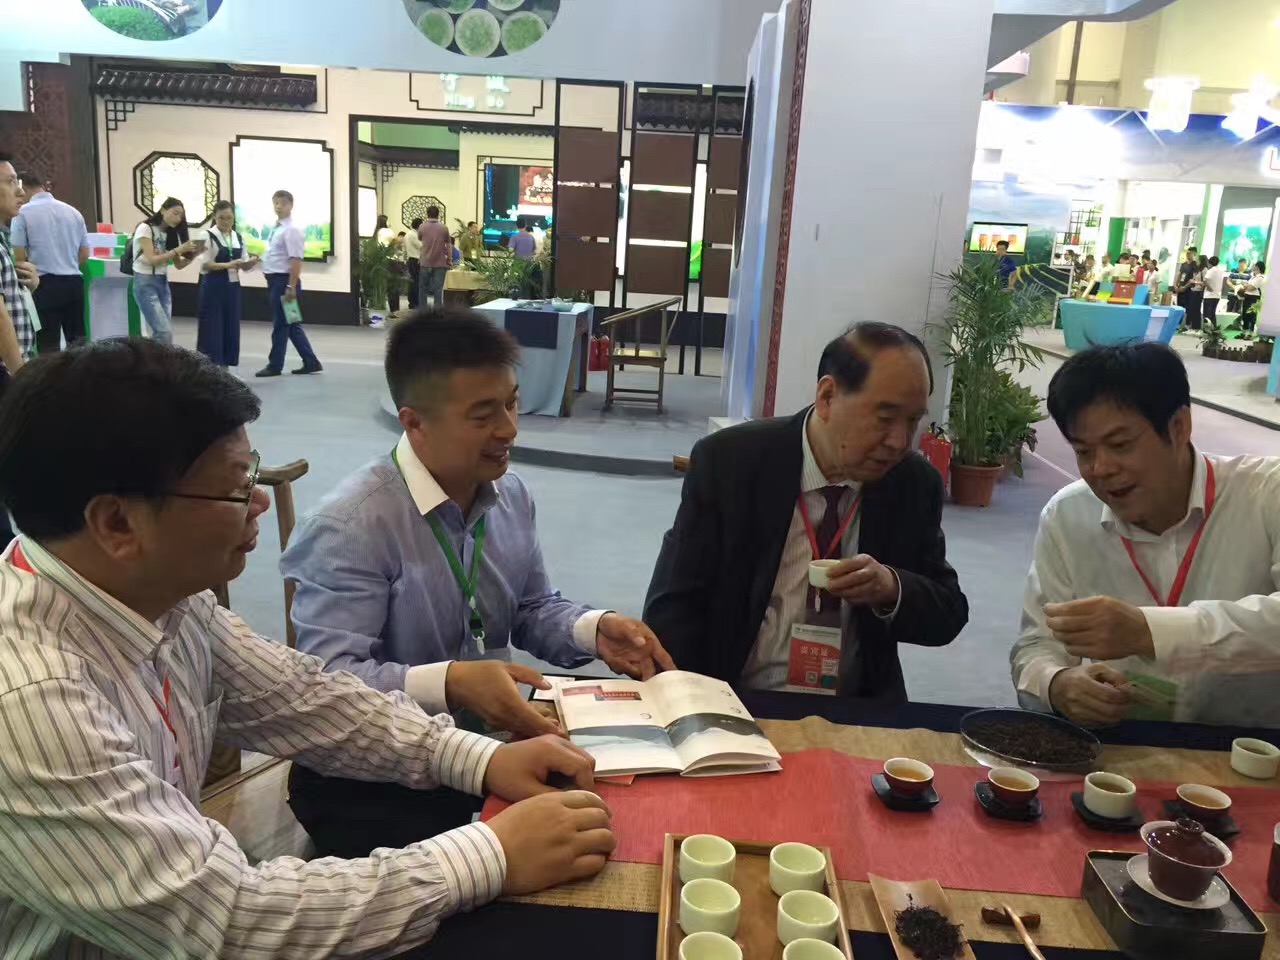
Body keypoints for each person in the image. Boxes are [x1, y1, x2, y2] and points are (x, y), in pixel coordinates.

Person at [0, 338, 617, 958]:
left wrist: (480, 759)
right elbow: (227, 919)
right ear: (116, 524)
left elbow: (306, 699)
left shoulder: (168, 602)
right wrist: (490, 854)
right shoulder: (33, 701)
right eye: (235, 487)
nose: (260, 501)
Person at [281, 308, 672, 856]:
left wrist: (593, 629)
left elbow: (530, 606)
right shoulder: (351, 525)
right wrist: (454, 683)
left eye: (512, 403)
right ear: (414, 422)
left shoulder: (510, 495)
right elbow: (329, 688)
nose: (509, 429)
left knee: (624, 827)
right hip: (372, 779)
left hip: (488, 751)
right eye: (484, 415)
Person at [644, 322, 968, 701]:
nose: (899, 441)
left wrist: (891, 588)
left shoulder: (912, 484)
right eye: (884, 419)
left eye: (913, 421)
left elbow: (948, 613)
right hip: (738, 699)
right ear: (827, 397)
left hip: (855, 708)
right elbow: (671, 609)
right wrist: (695, 707)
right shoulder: (730, 463)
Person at [1010, 343, 1280, 727]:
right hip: (1121, 748)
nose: (1101, 468)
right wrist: (1057, 684)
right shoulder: (1067, 515)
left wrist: (1149, 631)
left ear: (1179, 427)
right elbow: (1036, 646)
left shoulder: (1265, 493)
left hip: (1251, 749)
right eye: (1083, 452)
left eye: (1120, 445)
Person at [10, 168, 88, 354]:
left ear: (23, 187)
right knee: (78, 342)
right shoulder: (74, 212)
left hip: (43, 284)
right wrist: (65, 266)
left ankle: (52, 374)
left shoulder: (22, 213)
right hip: (74, 282)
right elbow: (85, 253)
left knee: (48, 344)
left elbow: (19, 257)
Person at [254, 189, 322, 377]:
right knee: (292, 324)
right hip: (276, 281)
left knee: (280, 325)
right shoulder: (277, 228)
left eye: (283, 203)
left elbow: (296, 260)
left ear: (291, 205)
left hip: (283, 283)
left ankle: (275, 365)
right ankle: (311, 361)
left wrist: (291, 287)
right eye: (276, 203)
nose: (278, 206)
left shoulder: (292, 229)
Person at [197, 200, 257, 368]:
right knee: (212, 325)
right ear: (214, 217)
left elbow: (243, 264)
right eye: (221, 218)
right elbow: (204, 265)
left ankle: (225, 367)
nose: (226, 222)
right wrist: (228, 265)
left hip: (233, 287)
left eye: (229, 218)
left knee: (231, 325)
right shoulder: (206, 235)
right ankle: (208, 367)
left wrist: (251, 262)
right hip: (213, 285)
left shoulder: (238, 237)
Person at [131, 197, 199, 346]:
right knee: (163, 331)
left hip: (162, 282)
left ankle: (159, 359)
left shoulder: (171, 233)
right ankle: (158, 359)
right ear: (162, 210)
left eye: (181, 216)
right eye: (175, 213)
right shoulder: (145, 228)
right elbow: (152, 259)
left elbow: (179, 265)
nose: (178, 219)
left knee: (163, 331)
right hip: (145, 282)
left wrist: (193, 255)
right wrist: (178, 250)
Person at [417, 205, 452, 310]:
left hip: (425, 262)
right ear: (438, 214)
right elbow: (448, 244)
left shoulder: (422, 227)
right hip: (440, 263)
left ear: (427, 214)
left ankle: (423, 311)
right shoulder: (444, 228)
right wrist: (449, 259)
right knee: (438, 289)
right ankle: (437, 311)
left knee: (423, 288)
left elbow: (420, 238)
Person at [1174, 247, 1201, 330]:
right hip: (1181, 287)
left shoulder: (1195, 265)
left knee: (1188, 307)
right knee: (1179, 306)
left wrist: (1185, 287)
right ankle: (1177, 324)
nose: (1188, 255)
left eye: (1190, 253)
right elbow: (1180, 274)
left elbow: (1194, 278)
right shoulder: (1183, 264)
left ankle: (1187, 324)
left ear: (1194, 254)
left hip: (1189, 289)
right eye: (1187, 253)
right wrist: (1176, 285)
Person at [1237, 260, 1267, 338]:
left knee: (1252, 316)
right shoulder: (1253, 277)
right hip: (1248, 297)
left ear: (1258, 267)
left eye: (1255, 265)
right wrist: (1246, 286)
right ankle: (1243, 333)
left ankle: (1250, 334)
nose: (1253, 267)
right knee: (1245, 315)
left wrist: (1245, 286)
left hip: (1254, 299)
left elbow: (1250, 288)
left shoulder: (1260, 277)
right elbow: (1247, 286)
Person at [404, 216, 424, 310]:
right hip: (415, 260)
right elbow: (421, 246)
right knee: (416, 283)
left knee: (413, 282)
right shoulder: (414, 235)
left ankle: (412, 302)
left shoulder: (408, 234)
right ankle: (415, 303)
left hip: (411, 259)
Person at [1201, 255, 1225, 328]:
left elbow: (1205, 280)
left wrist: (1209, 287)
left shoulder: (1211, 270)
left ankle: (1207, 329)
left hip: (1209, 295)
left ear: (1209, 263)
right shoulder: (1220, 271)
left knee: (1207, 314)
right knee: (1212, 313)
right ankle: (1214, 328)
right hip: (1217, 295)